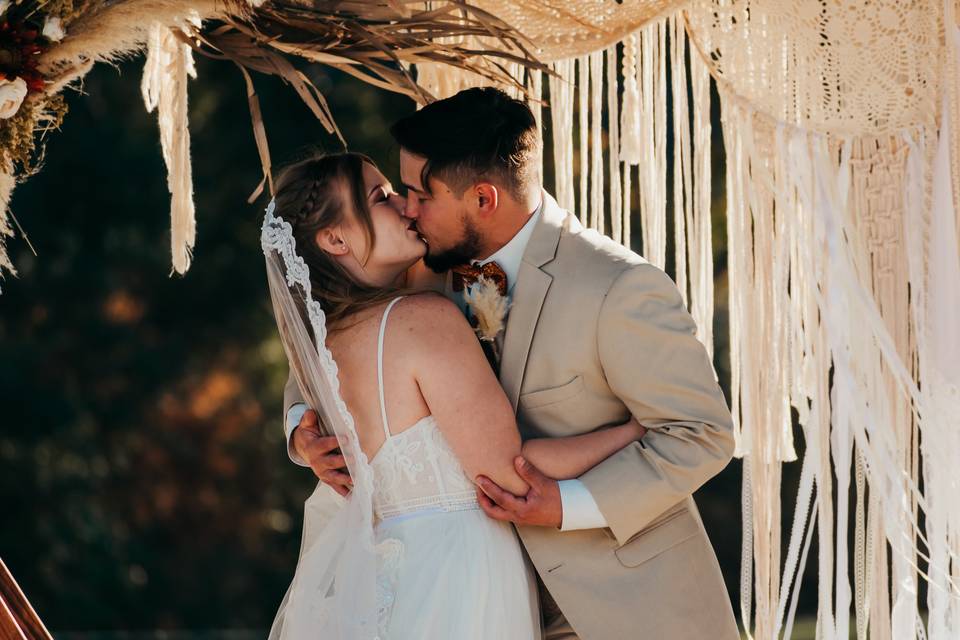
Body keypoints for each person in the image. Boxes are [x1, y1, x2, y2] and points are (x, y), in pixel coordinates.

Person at [284, 87, 740, 639]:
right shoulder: (410, 274)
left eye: (418, 195)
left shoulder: (617, 287)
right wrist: (303, 432)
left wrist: (566, 505)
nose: (406, 210)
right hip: (461, 595)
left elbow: (703, 434)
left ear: (482, 199)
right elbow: (319, 334)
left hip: (619, 606)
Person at [264, 152, 650, 639]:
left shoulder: (324, 348)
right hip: (459, 573)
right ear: (336, 238)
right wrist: (634, 431)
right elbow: (510, 475)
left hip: (385, 578)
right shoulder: (421, 320)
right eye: (380, 198)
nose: (406, 206)